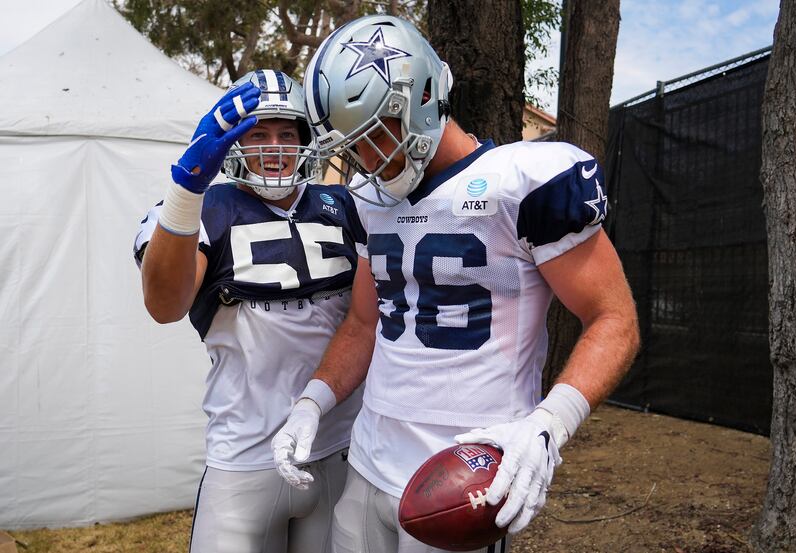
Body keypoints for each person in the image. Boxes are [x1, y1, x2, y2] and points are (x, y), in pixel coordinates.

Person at [270, 15, 640, 553]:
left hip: (461, 475)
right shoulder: (370, 201)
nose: (370, 160)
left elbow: (615, 320)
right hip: (368, 462)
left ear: (421, 96)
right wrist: (311, 403)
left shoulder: (522, 181)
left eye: (377, 134)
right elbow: (363, 323)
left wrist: (549, 425)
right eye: (356, 146)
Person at [133, 69, 365, 553]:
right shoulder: (204, 207)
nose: (275, 146)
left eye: (287, 133)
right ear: (231, 143)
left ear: (307, 139)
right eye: (257, 134)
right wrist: (186, 190)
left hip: (342, 446)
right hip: (246, 456)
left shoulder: (346, 205)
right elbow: (163, 305)